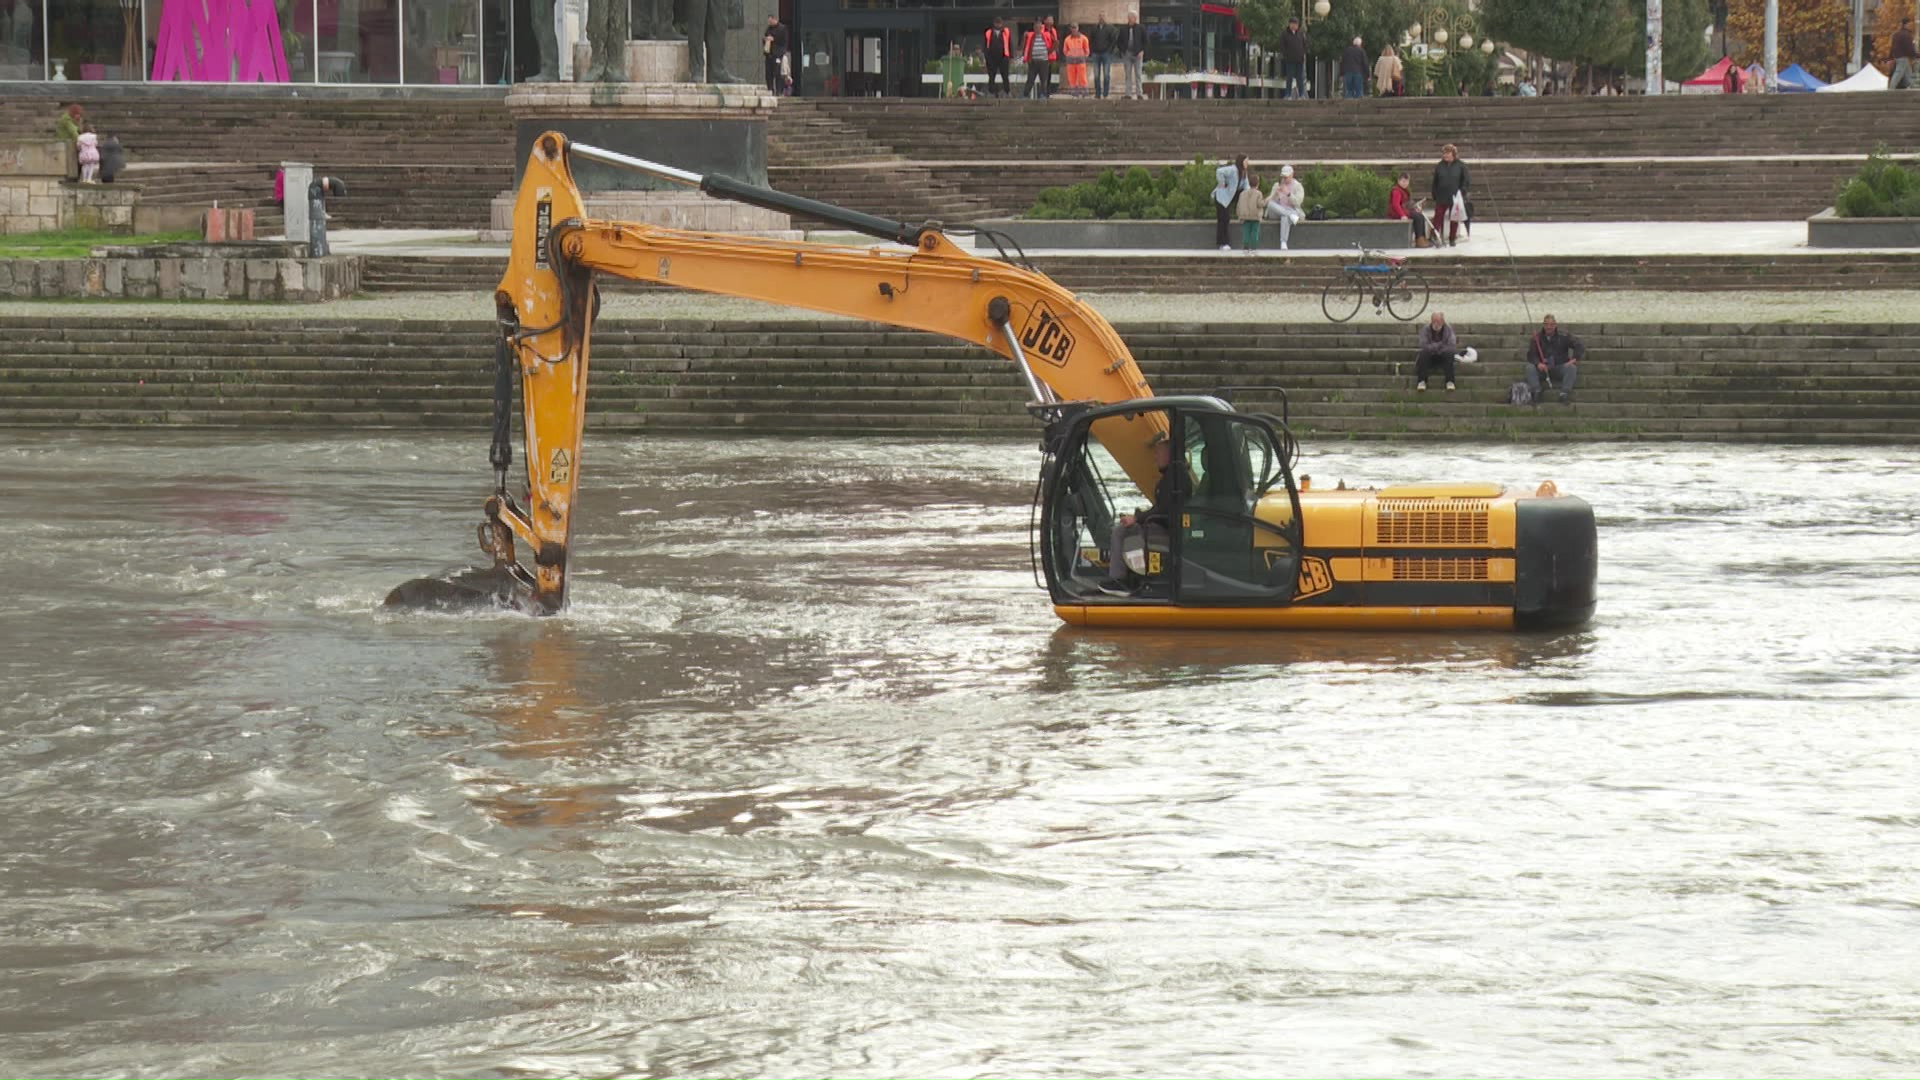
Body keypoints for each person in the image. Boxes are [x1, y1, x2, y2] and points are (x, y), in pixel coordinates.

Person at [1098, 433, 1183, 596]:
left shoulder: (1173, 479)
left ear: (1169, 455)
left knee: (1121, 531)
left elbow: (1164, 509)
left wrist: (1136, 518)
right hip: (1164, 524)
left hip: (1166, 528)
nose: (1155, 458)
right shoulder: (1172, 477)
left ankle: (1121, 580)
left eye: (1158, 453)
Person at [1525, 314, 1585, 404]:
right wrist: (1538, 364)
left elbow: (1579, 346)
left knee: (1572, 368)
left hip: (1559, 366)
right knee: (1529, 367)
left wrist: (1575, 358)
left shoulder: (1564, 336)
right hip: (1543, 369)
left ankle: (1564, 393)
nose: (1549, 327)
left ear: (1555, 325)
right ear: (1543, 325)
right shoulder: (1536, 338)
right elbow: (1531, 354)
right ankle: (1537, 391)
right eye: (1546, 324)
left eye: (1551, 324)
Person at [1430, 142, 1469, 248]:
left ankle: (1452, 239)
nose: (1445, 155)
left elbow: (1465, 180)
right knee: (1438, 216)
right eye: (1444, 153)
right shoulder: (1439, 166)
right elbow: (1435, 181)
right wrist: (1434, 193)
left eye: (1448, 153)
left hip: (1455, 197)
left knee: (1454, 218)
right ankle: (1435, 236)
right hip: (1441, 196)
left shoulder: (1461, 166)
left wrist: (1462, 192)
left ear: (1453, 154)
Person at [1263, 165, 1305, 251]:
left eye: (1287, 176)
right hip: (1278, 211)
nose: (1285, 178)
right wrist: (1275, 195)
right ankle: (1290, 216)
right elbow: (1267, 202)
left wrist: (1288, 194)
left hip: (1292, 210)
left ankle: (1283, 242)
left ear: (1292, 175)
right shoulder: (1277, 185)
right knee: (1271, 204)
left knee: (1284, 216)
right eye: (1283, 176)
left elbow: (1298, 203)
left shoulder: (1298, 186)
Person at [1415, 311, 1458, 392]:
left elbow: (1451, 345)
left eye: (1438, 321)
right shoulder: (1426, 329)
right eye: (1434, 321)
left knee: (1449, 353)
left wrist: (1435, 347)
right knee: (1423, 354)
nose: (1436, 324)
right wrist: (1439, 345)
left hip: (1443, 356)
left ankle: (1450, 381)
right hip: (1430, 356)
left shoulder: (1448, 330)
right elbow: (1423, 345)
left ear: (1443, 321)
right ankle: (1422, 381)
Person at [1213, 155, 1248, 251]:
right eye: (1246, 161)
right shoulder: (1233, 169)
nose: (1247, 163)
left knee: (1226, 219)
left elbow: (1246, 185)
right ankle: (1222, 243)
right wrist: (1222, 182)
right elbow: (1219, 171)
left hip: (1228, 199)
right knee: (1223, 220)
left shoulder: (1244, 173)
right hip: (1221, 197)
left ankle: (1225, 242)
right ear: (1241, 161)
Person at [1388, 171, 1428, 245]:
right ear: (1398, 181)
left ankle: (1422, 238)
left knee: (1420, 216)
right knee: (1418, 217)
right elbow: (1395, 205)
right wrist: (1402, 215)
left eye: (1407, 181)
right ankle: (1419, 240)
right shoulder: (1396, 191)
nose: (1405, 183)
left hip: (1404, 210)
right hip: (1396, 212)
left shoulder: (1404, 190)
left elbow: (1407, 204)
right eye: (1403, 181)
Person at [1022, 16, 1057, 99]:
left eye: (1039, 27)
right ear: (1034, 28)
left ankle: (1043, 95)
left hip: (1044, 60)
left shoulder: (1047, 35)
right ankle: (1025, 95)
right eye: (1036, 27)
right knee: (1030, 79)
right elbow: (1024, 45)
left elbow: (1056, 42)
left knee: (1044, 80)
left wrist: (1050, 51)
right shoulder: (1030, 35)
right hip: (1033, 61)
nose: (1038, 29)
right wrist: (1024, 37)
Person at [1119, 12, 1146, 99]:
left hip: (1138, 54)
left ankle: (1139, 94)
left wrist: (1142, 51)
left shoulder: (1141, 28)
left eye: (1132, 17)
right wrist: (1123, 51)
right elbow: (1119, 41)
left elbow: (1145, 41)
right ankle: (1128, 94)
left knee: (1138, 74)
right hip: (1127, 54)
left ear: (1135, 18)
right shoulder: (1123, 29)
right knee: (1128, 75)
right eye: (1129, 17)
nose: (1130, 18)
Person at [983, 17, 1013, 98]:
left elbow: (1010, 44)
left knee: (1005, 76)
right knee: (992, 76)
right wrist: (986, 58)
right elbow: (985, 46)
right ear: (994, 23)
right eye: (997, 23)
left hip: (1003, 57)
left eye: (999, 23)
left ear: (1002, 23)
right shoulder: (988, 32)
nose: (998, 24)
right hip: (992, 58)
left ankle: (1007, 91)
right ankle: (991, 92)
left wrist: (1011, 57)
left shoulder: (1006, 32)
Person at [1279, 16, 1308, 99]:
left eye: (1296, 24)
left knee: (1300, 78)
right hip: (1290, 59)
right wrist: (1286, 54)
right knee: (1289, 78)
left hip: (1299, 59)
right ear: (1289, 24)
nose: (1294, 26)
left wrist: (1303, 54)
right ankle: (1288, 94)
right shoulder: (1285, 34)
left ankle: (1301, 94)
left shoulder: (1301, 33)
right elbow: (1282, 46)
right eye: (1292, 24)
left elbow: (1305, 45)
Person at [1236, 172, 1264, 254]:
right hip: (1255, 217)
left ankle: (1245, 247)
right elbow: (1260, 204)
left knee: (1246, 232)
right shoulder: (1259, 193)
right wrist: (1266, 201)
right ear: (1258, 184)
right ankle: (1254, 248)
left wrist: (1239, 215)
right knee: (1254, 232)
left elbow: (1239, 205)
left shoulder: (1242, 193)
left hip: (1245, 216)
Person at [1062, 23, 1090, 98]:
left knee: (1082, 77)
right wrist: (1069, 55)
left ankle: (1084, 91)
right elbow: (1065, 50)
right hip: (1071, 61)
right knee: (1071, 77)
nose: (1074, 29)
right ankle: (1074, 92)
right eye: (1072, 28)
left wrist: (1083, 56)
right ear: (1070, 29)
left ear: (1078, 28)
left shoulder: (1084, 38)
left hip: (1080, 60)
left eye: (1075, 27)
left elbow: (1087, 50)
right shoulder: (1067, 39)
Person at [762, 14, 788, 95]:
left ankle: (779, 91)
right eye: (768, 21)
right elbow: (765, 38)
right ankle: (770, 89)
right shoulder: (769, 29)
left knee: (778, 73)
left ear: (774, 19)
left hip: (778, 54)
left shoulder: (782, 28)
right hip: (769, 54)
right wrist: (765, 40)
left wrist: (773, 39)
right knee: (768, 73)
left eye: (770, 21)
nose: (769, 22)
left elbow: (784, 41)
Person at [1090, 16, 1115, 99]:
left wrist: (1109, 51)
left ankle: (1105, 94)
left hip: (1106, 54)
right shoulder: (1094, 28)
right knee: (1096, 75)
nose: (1102, 19)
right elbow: (1091, 40)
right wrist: (1092, 50)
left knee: (1106, 75)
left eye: (1103, 17)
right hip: (1096, 54)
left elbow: (1113, 40)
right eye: (1100, 17)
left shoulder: (1110, 28)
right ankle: (1097, 94)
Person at [1891, 18, 1917, 90]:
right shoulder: (1906, 35)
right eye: (1909, 24)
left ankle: (1913, 86)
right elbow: (1909, 47)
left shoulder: (1896, 34)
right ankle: (1891, 88)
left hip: (1897, 56)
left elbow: (1892, 47)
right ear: (1905, 25)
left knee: (1908, 73)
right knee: (1899, 72)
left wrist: (1891, 56)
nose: (1910, 26)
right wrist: (1915, 55)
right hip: (1903, 57)